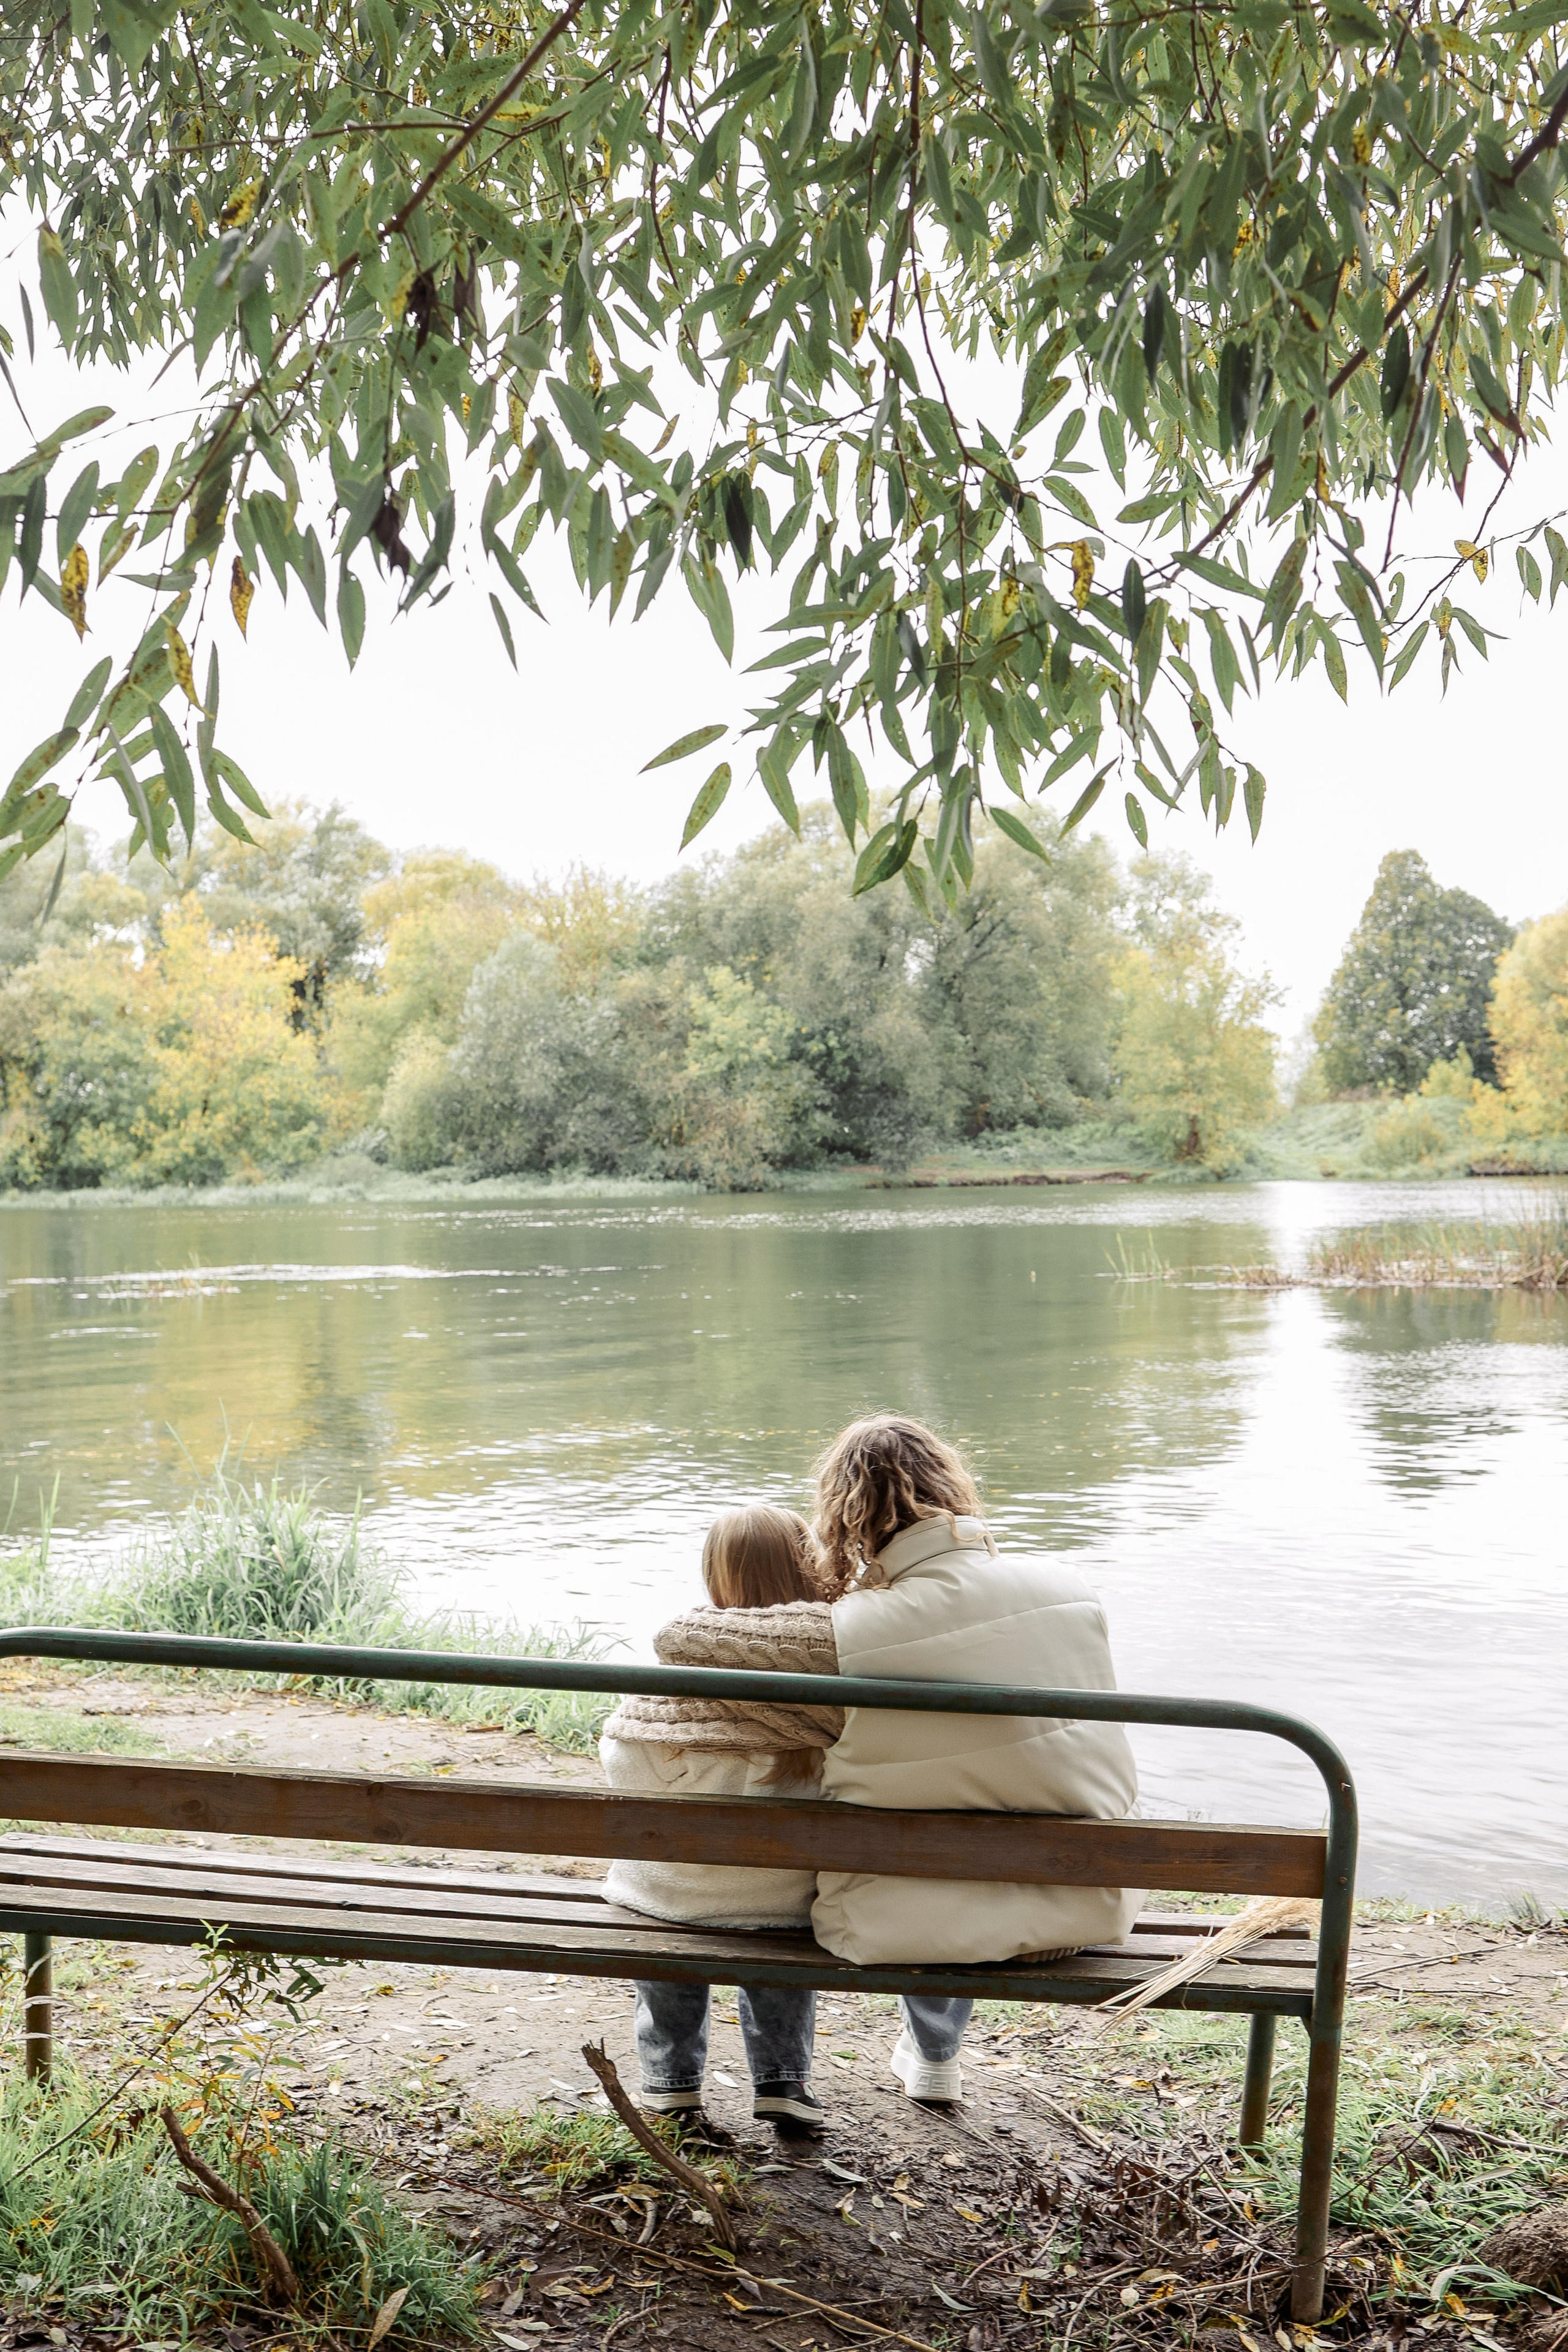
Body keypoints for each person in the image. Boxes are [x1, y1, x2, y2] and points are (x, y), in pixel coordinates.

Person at [682, 1415, 1142, 2106]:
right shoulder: (1069, 1587)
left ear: (845, 1513)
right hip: (1090, 1898)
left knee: (914, 1833)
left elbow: (686, 1638)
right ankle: (934, 2056)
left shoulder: (856, 1628)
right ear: (954, 1486)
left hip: (906, 1919)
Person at [598, 1504, 841, 2134]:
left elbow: (623, 1769)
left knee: (675, 1902)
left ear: (712, 1575)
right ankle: (784, 2082)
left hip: (667, 1896)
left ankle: (671, 2088)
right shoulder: (834, 1682)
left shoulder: (671, 1677)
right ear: (809, 1570)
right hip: (784, 1902)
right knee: (774, 1905)